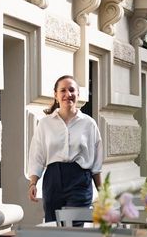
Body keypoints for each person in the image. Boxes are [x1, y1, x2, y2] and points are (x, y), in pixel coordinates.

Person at [27, 75, 103, 222]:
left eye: (72, 90)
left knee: (75, 229)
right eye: (63, 90)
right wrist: (33, 183)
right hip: (52, 181)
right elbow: (37, 155)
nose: (68, 94)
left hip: (80, 180)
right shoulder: (45, 124)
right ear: (56, 95)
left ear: (78, 95)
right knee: (54, 227)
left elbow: (96, 162)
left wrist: (102, 193)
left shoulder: (89, 124)